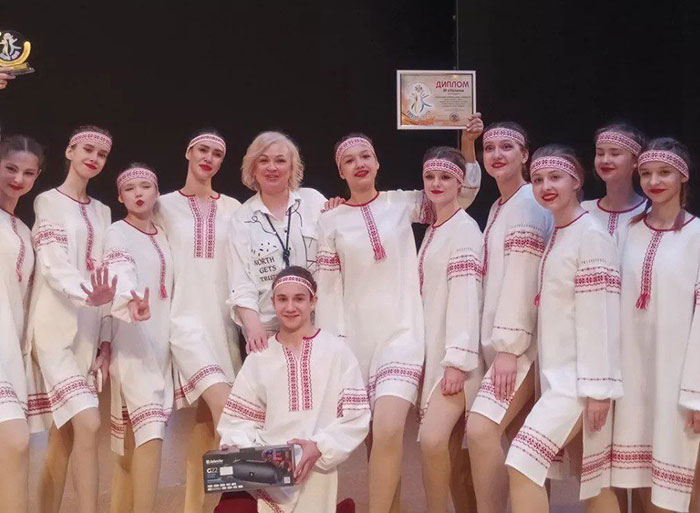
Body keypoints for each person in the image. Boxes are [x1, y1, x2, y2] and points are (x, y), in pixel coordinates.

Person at [315, 126, 481, 513]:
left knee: (389, 428)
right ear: (340, 171)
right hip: (356, 342)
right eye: (349, 160)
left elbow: (463, 192)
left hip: (403, 335)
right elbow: (328, 289)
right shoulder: (330, 220)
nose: (359, 164)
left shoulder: (402, 204)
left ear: (377, 163)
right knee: (375, 440)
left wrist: (468, 147)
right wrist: (333, 349)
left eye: (365, 157)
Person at [505, 145, 622, 513]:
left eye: (555, 177)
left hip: (577, 384)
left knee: (522, 464)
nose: (545, 186)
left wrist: (599, 390)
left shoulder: (590, 235)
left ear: (576, 181)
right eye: (538, 179)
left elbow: (601, 318)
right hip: (558, 378)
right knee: (593, 477)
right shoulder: (560, 233)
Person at [217, 266, 371, 513]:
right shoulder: (260, 356)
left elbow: (356, 418)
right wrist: (237, 444)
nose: (290, 307)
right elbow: (239, 420)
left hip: (317, 470)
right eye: (282, 299)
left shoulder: (337, 352)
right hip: (266, 472)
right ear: (273, 303)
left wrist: (320, 446)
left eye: (299, 299)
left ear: (313, 302)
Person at [27, 126, 116, 513]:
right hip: (54, 329)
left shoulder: (103, 211)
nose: (93, 158)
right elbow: (52, 262)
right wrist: (85, 293)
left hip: (88, 332)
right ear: (69, 151)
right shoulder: (47, 201)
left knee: (64, 435)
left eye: (101, 154)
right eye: (87, 149)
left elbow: (108, 275)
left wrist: (106, 336)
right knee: (90, 422)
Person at [609, 138, 700, 513]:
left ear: (683, 176)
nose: (653, 181)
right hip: (633, 378)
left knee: (683, 480)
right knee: (639, 479)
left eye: (664, 172)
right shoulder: (627, 231)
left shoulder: (697, 235)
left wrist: (696, 394)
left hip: (680, 380)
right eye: (646, 173)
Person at [466, 122, 553, 513]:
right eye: (489, 148)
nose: (496, 154)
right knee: (523, 446)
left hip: (520, 346)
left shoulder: (528, 203)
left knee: (481, 429)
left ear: (525, 155)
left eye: (507, 147)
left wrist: (508, 347)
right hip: (504, 344)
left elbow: (522, 278)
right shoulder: (501, 204)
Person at [154, 129, 241, 513]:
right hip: (183, 325)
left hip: (224, 328)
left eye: (217, 153)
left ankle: (196, 508)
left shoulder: (234, 208)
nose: (209, 158)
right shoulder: (163, 205)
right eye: (203, 150)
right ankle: (241, 503)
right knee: (230, 412)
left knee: (207, 428)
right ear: (188, 152)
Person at [416, 146, 483, 513]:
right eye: (430, 177)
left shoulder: (464, 230)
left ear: (460, 183)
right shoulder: (434, 229)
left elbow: (466, 298)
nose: (436, 183)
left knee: (432, 440)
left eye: (445, 177)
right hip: (436, 352)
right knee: (454, 460)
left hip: (457, 359)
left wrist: (456, 361)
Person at [103, 165, 173, 513]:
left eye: (145, 186)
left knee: (132, 445)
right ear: (120, 197)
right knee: (151, 432)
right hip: (132, 343)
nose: (139, 193)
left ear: (156, 192)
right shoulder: (117, 232)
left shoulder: (163, 235)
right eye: (130, 189)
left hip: (162, 345)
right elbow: (119, 269)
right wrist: (132, 300)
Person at [228, 131, 326, 351]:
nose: (272, 167)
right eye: (263, 161)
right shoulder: (241, 219)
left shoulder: (314, 202)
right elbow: (240, 282)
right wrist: (253, 328)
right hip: (268, 332)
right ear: (253, 168)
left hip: (317, 324)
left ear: (292, 168)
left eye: (280, 161)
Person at [0, 134, 43, 513]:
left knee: (15, 451)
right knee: (15, 442)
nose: (18, 179)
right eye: (10, 168)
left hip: (12, 353)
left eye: (28, 173)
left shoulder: (26, 233)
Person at [581, 124, 646, 236]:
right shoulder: (584, 209)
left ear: (635, 160)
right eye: (600, 154)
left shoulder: (650, 211)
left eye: (615, 154)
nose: (605, 160)